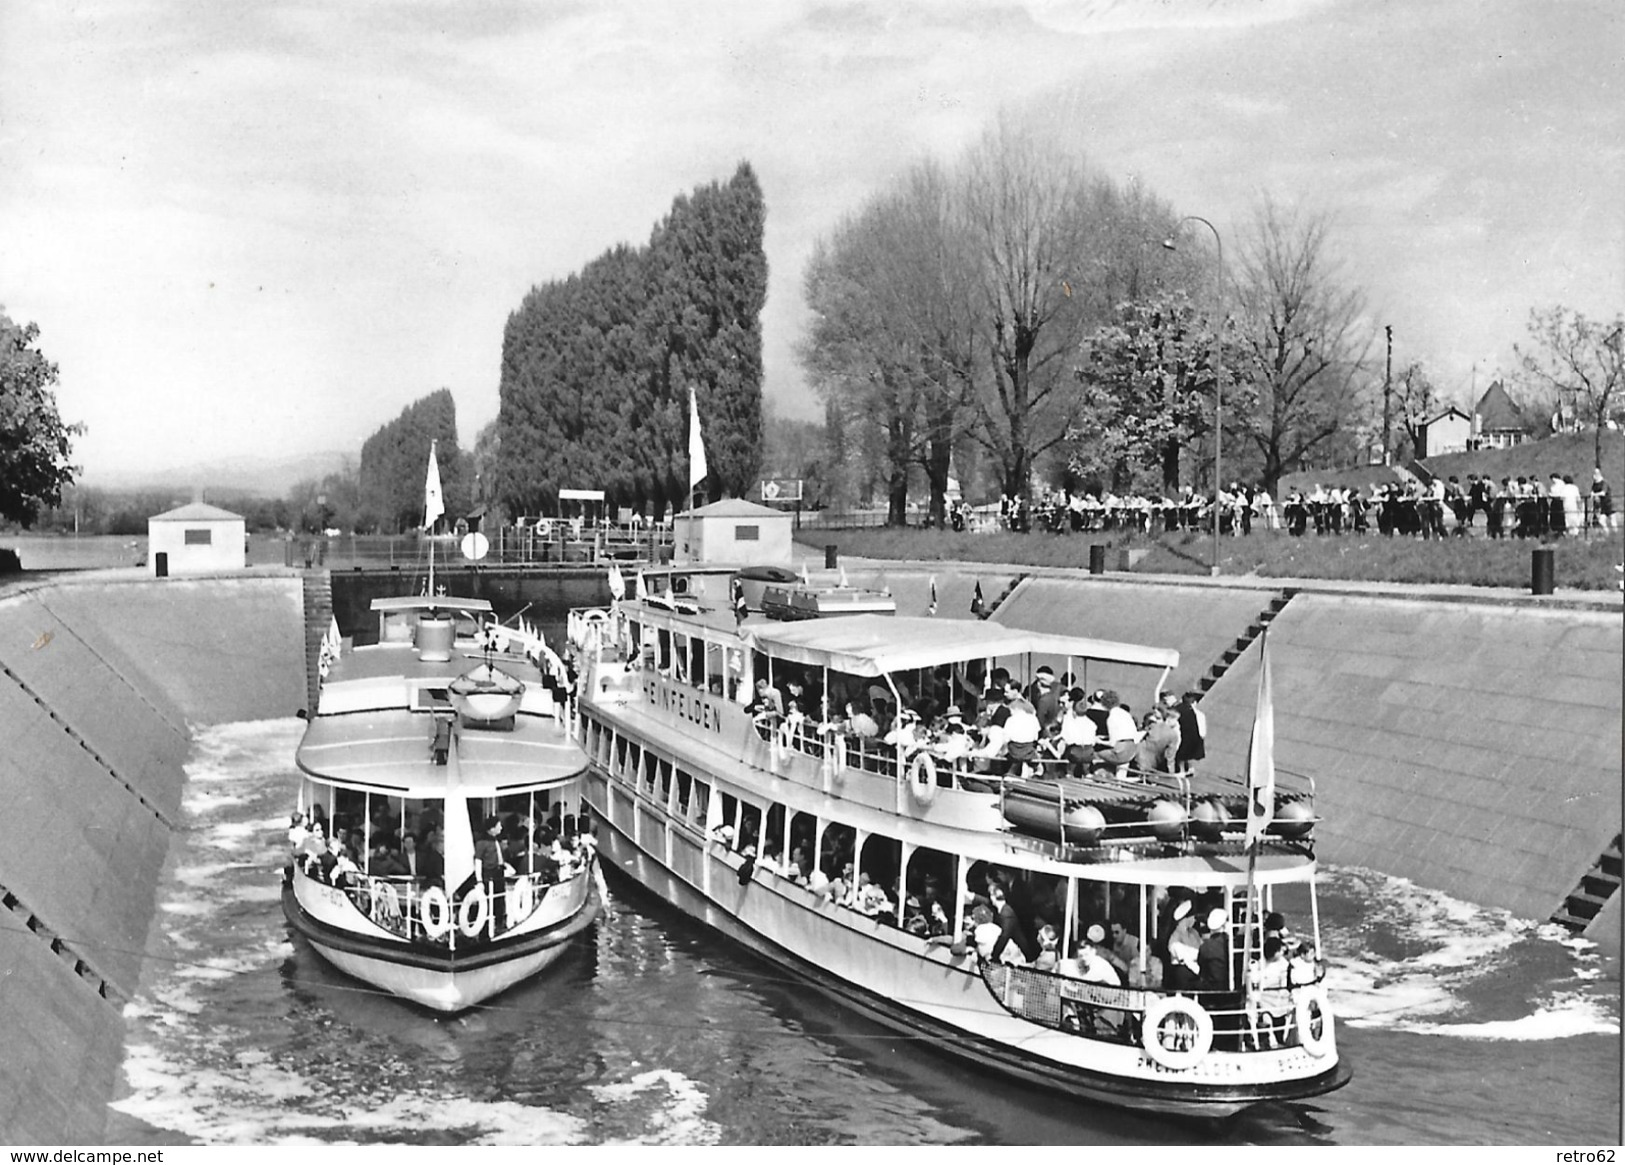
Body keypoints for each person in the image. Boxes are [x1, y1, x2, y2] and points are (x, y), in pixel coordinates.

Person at [1174, 691, 1207, 773]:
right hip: (1195, 739)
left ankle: (1181, 770)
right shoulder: (1199, 714)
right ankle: (1190, 768)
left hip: (1183, 737)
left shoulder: (1179, 710)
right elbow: (1202, 731)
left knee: (1181, 757)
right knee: (1190, 755)